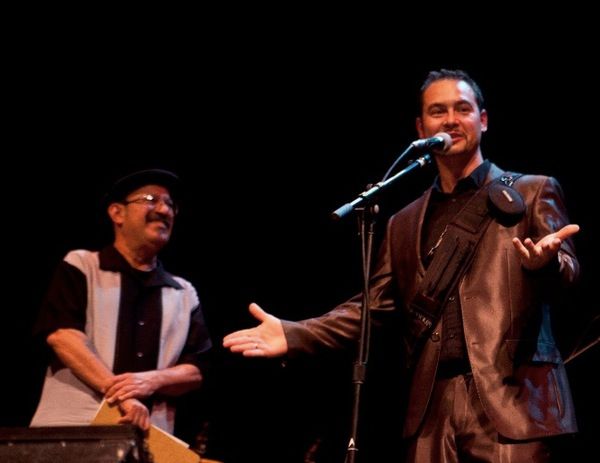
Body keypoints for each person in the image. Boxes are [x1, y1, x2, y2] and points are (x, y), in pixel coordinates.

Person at [223, 69, 581, 462]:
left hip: (514, 402)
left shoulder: (531, 190)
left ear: (483, 119)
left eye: (462, 109)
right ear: (421, 127)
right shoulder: (403, 223)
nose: (451, 120)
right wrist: (296, 333)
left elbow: (567, 270)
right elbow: (371, 307)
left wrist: (545, 265)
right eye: (438, 111)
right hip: (431, 411)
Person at [31, 168, 212, 433]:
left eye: (170, 204)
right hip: (73, 430)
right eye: (150, 199)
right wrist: (123, 394)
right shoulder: (83, 266)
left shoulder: (184, 293)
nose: (164, 210)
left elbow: (196, 370)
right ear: (117, 213)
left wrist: (151, 381)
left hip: (149, 438)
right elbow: (63, 336)